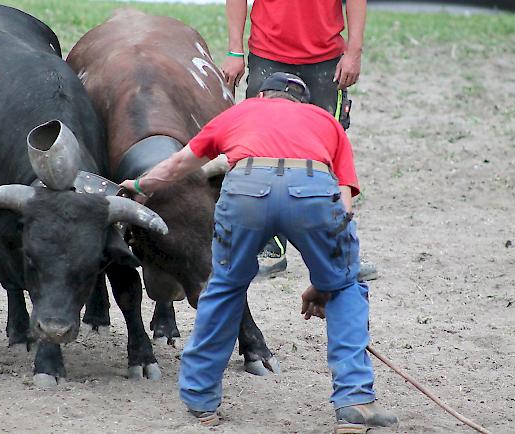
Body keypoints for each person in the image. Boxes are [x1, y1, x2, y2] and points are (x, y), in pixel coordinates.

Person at [120, 73, 397, 433]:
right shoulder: (326, 121)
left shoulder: (240, 112)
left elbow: (177, 165)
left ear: (261, 95)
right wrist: (329, 279)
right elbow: (344, 204)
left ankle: (201, 400)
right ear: (302, 102)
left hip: (246, 192)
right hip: (312, 188)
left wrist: (139, 185)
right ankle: (355, 401)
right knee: (347, 288)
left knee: (224, 287)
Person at [221, 0, 378, 281]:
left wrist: (353, 52)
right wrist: (235, 49)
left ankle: (337, 248)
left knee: (325, 156)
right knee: (261, 151)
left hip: (325, 60)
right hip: (268, 54)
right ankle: (268, 246)